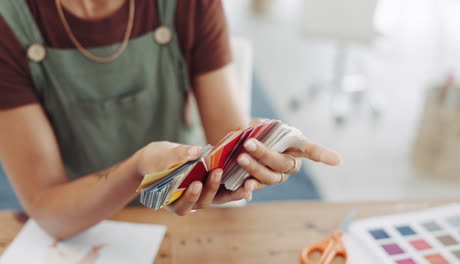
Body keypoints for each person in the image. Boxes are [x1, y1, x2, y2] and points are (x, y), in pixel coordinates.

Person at [0, 0, 341, 239]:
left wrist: (261, 147)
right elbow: (50, 212)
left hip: (184, 206)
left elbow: (230, 138)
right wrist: (138, 169)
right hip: (81, 212)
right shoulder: (8, 21)